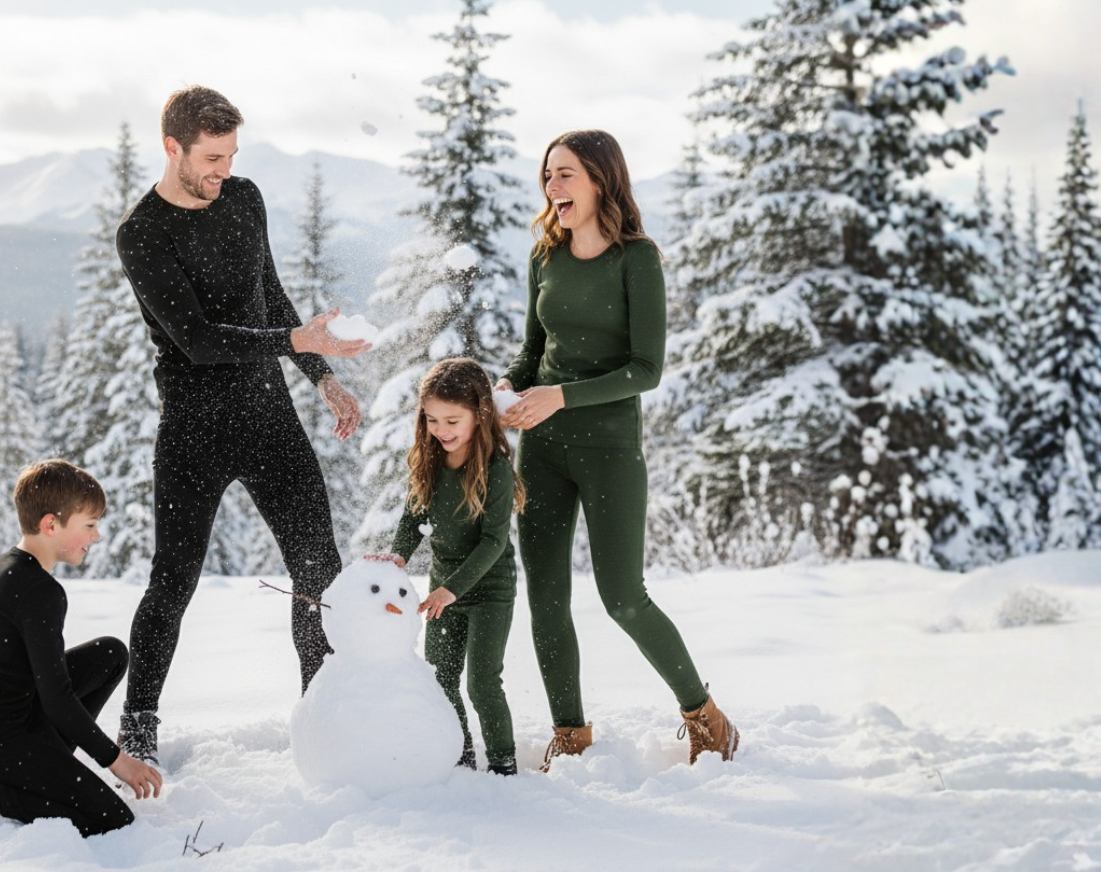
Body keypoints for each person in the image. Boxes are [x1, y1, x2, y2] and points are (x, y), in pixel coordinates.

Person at [113, 85, 370, 765]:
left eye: (230, 155)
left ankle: (326, 720)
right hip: (194, 428)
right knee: (173, 582)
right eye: (211, 157)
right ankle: (137, 731)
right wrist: (297, 342)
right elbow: (196, 339)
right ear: (174, 149)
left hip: (268, 416)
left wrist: (322, 375)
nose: (223, 171)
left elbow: (269, 297)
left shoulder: (245, 198)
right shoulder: (142, 233)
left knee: (319, 565)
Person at [495, 130, 739, 770]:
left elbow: (646, 369)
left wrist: (561, 397)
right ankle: (570, 734)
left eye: (566, 174)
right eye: (548, 175)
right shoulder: (543, 254)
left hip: (608, 450)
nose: (553, 187)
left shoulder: (637, 259)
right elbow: (531, 353)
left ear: (602, 179)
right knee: (545, 599)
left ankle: (704, 716)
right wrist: (507, 386)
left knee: (623, 596)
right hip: (541, 452)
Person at [0, 459, 162, 837]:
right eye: (89, 525)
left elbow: (47, 684)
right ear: (50, 524)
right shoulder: (40, 592)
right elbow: (58, 699)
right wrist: (117, 761)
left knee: (110, 655)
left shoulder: (7, 565)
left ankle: (46, 767)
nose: (97, 536)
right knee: (110, 818)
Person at [368, 358, 526, 776]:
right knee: (441, 678)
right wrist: (399, 555)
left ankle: (503, 765)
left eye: (453, 419)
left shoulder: (494, 470)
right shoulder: (430, 461)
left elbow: (494, 542)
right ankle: (460, 757)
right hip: (444, 591)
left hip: (489, 589)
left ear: (480, 414)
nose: (442, 430)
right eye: (432, 419)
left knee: (482, 683)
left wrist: (451, 589)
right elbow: (412, 517)